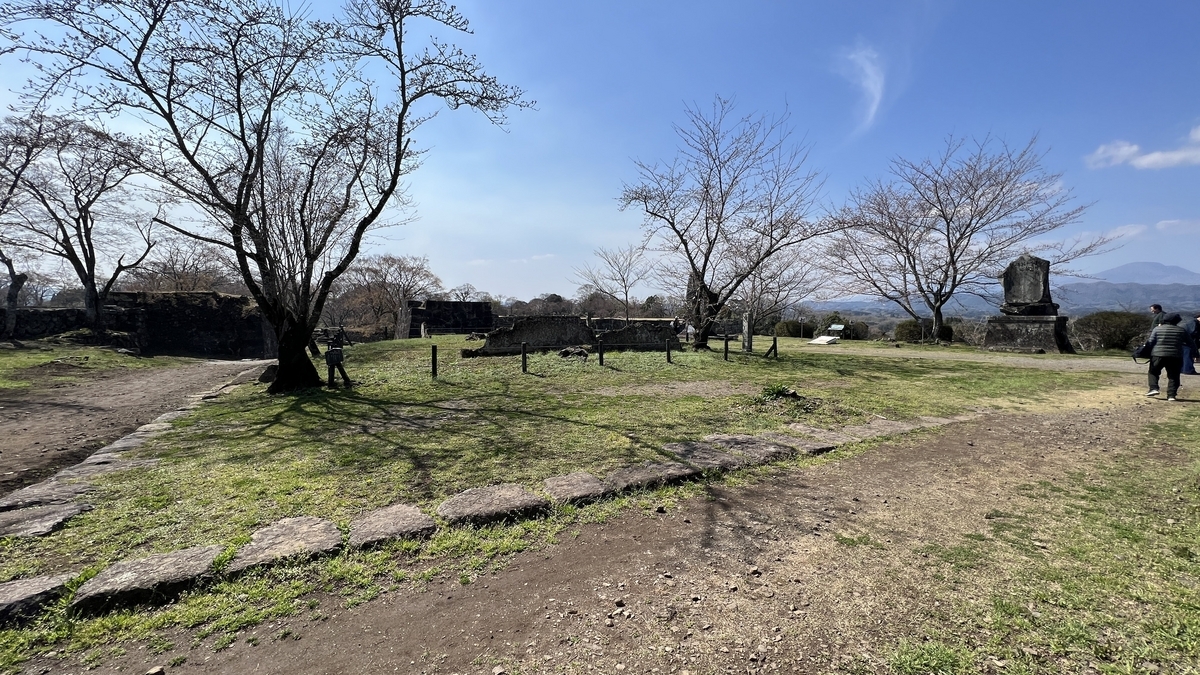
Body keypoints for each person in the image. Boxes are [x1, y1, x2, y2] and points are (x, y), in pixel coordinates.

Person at [1145, 313, 1193, 401]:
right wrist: (1195, 354)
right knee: (1174, 375)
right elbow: (1190, 343)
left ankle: (1154, 388)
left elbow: (1150, 342)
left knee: (1153, 372)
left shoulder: (1157, 329)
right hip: (1175, 355)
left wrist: (1144, 352)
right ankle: (1171, 395)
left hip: (1158, 354)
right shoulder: (1181, 330)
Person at [1184, 311, 1200, 376]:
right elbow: (1192, 333)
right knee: (1188, 355)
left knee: (1187, 355)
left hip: (1188, 341)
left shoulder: (1196, 323)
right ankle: (1188, 370)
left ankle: (1186, 369)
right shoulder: (1193, 323)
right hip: (1186, 342)